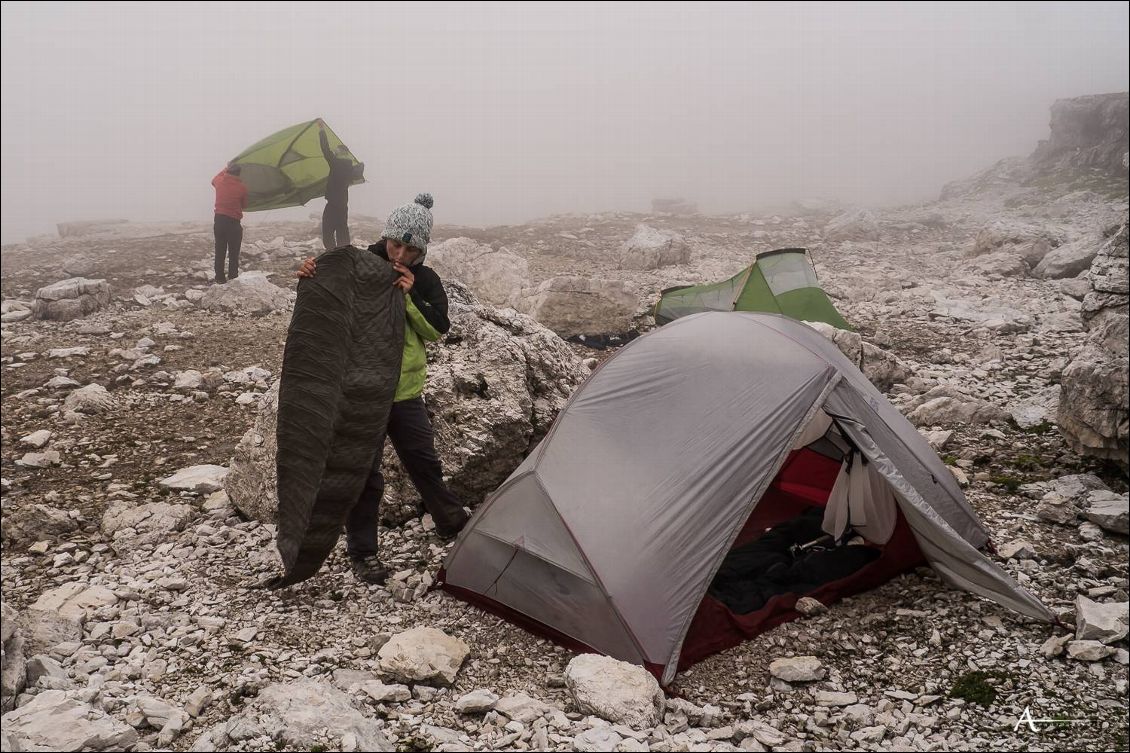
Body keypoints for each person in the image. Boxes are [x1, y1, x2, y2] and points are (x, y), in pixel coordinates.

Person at [297, 193, 469, 584]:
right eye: (396, 243)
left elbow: (437, 330)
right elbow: (327, 304)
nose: (401, 253)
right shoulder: (358, 264)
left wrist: (409, 297)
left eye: (411, 248)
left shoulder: (425, 279)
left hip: (405, 392)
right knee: (364, 475)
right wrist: (311, 275)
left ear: (422, 249)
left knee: (423, 461)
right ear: (386, 236)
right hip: (361, 393)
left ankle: (451, 522)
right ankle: (363, 552)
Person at [318, 119, 357, 250]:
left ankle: (332, 254)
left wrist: (321, 129)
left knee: (327, 232)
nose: (334, 151)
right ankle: (344, 254)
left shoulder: (335, 163)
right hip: (343, 205)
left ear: (340, 153)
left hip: (333, 205)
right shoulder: (350, 167)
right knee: (342, 231)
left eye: (337, 151)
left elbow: (325, 148)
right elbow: (359, 171)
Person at [211, 162, 248, 283]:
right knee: (233, 252)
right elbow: (244, 205)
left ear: (228, 171)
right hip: (233, 222)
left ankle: (220, 278)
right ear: (239, 174)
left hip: (219, 220)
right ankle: (233, 277)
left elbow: (213, 180)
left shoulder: (220, 181)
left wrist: (225, 168)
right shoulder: (242, 188)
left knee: (220, 250)